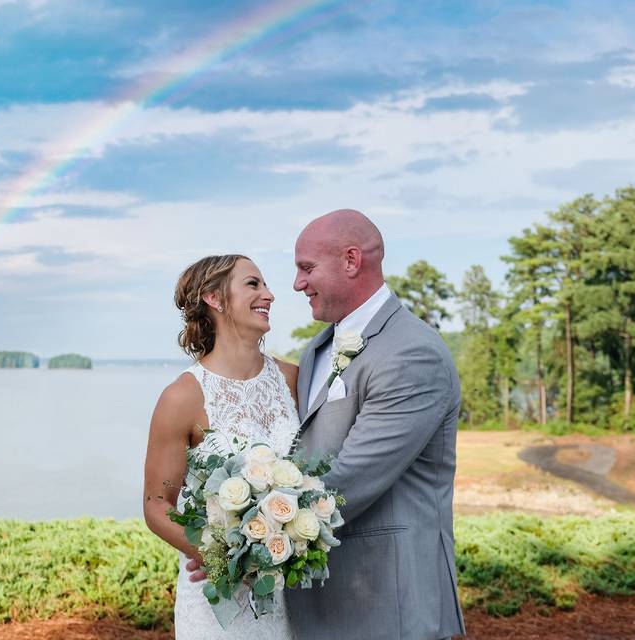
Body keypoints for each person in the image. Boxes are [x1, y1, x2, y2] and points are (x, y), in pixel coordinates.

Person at [284, 209, 465, 640]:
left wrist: (249, 535)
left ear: (351, 261)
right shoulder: (317, 348)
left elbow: (351, 481)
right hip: (325, 600)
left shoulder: (412, 353)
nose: (296, 284)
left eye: (307, 268)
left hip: (390, 603)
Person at [143, 254, 301, 640]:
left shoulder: (293, 379)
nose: (269, 295)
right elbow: (156, 504)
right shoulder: (181, 396)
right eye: (253, 284)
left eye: (264, 285)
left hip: (289, 593)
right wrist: (215, 555)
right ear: (214, 298)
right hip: (217, 601)